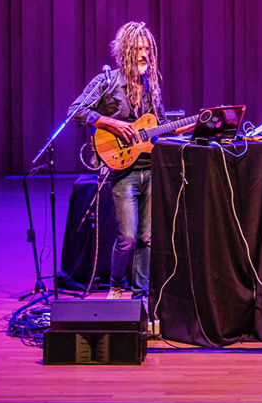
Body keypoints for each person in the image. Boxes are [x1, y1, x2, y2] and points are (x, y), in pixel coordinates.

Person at [68, 21, 185, 298]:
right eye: (138, 49)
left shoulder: (151, 86)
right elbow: (76, 110)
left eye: (147, 49)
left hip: (150, 168)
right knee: (128, 239)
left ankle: (140, 292)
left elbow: (163, 124)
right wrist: (110, 123)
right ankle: (117, 286)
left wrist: (191, 125)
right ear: (125, 51)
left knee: (147, 238)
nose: (144, 54)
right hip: (122, 172)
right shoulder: (106, 81)